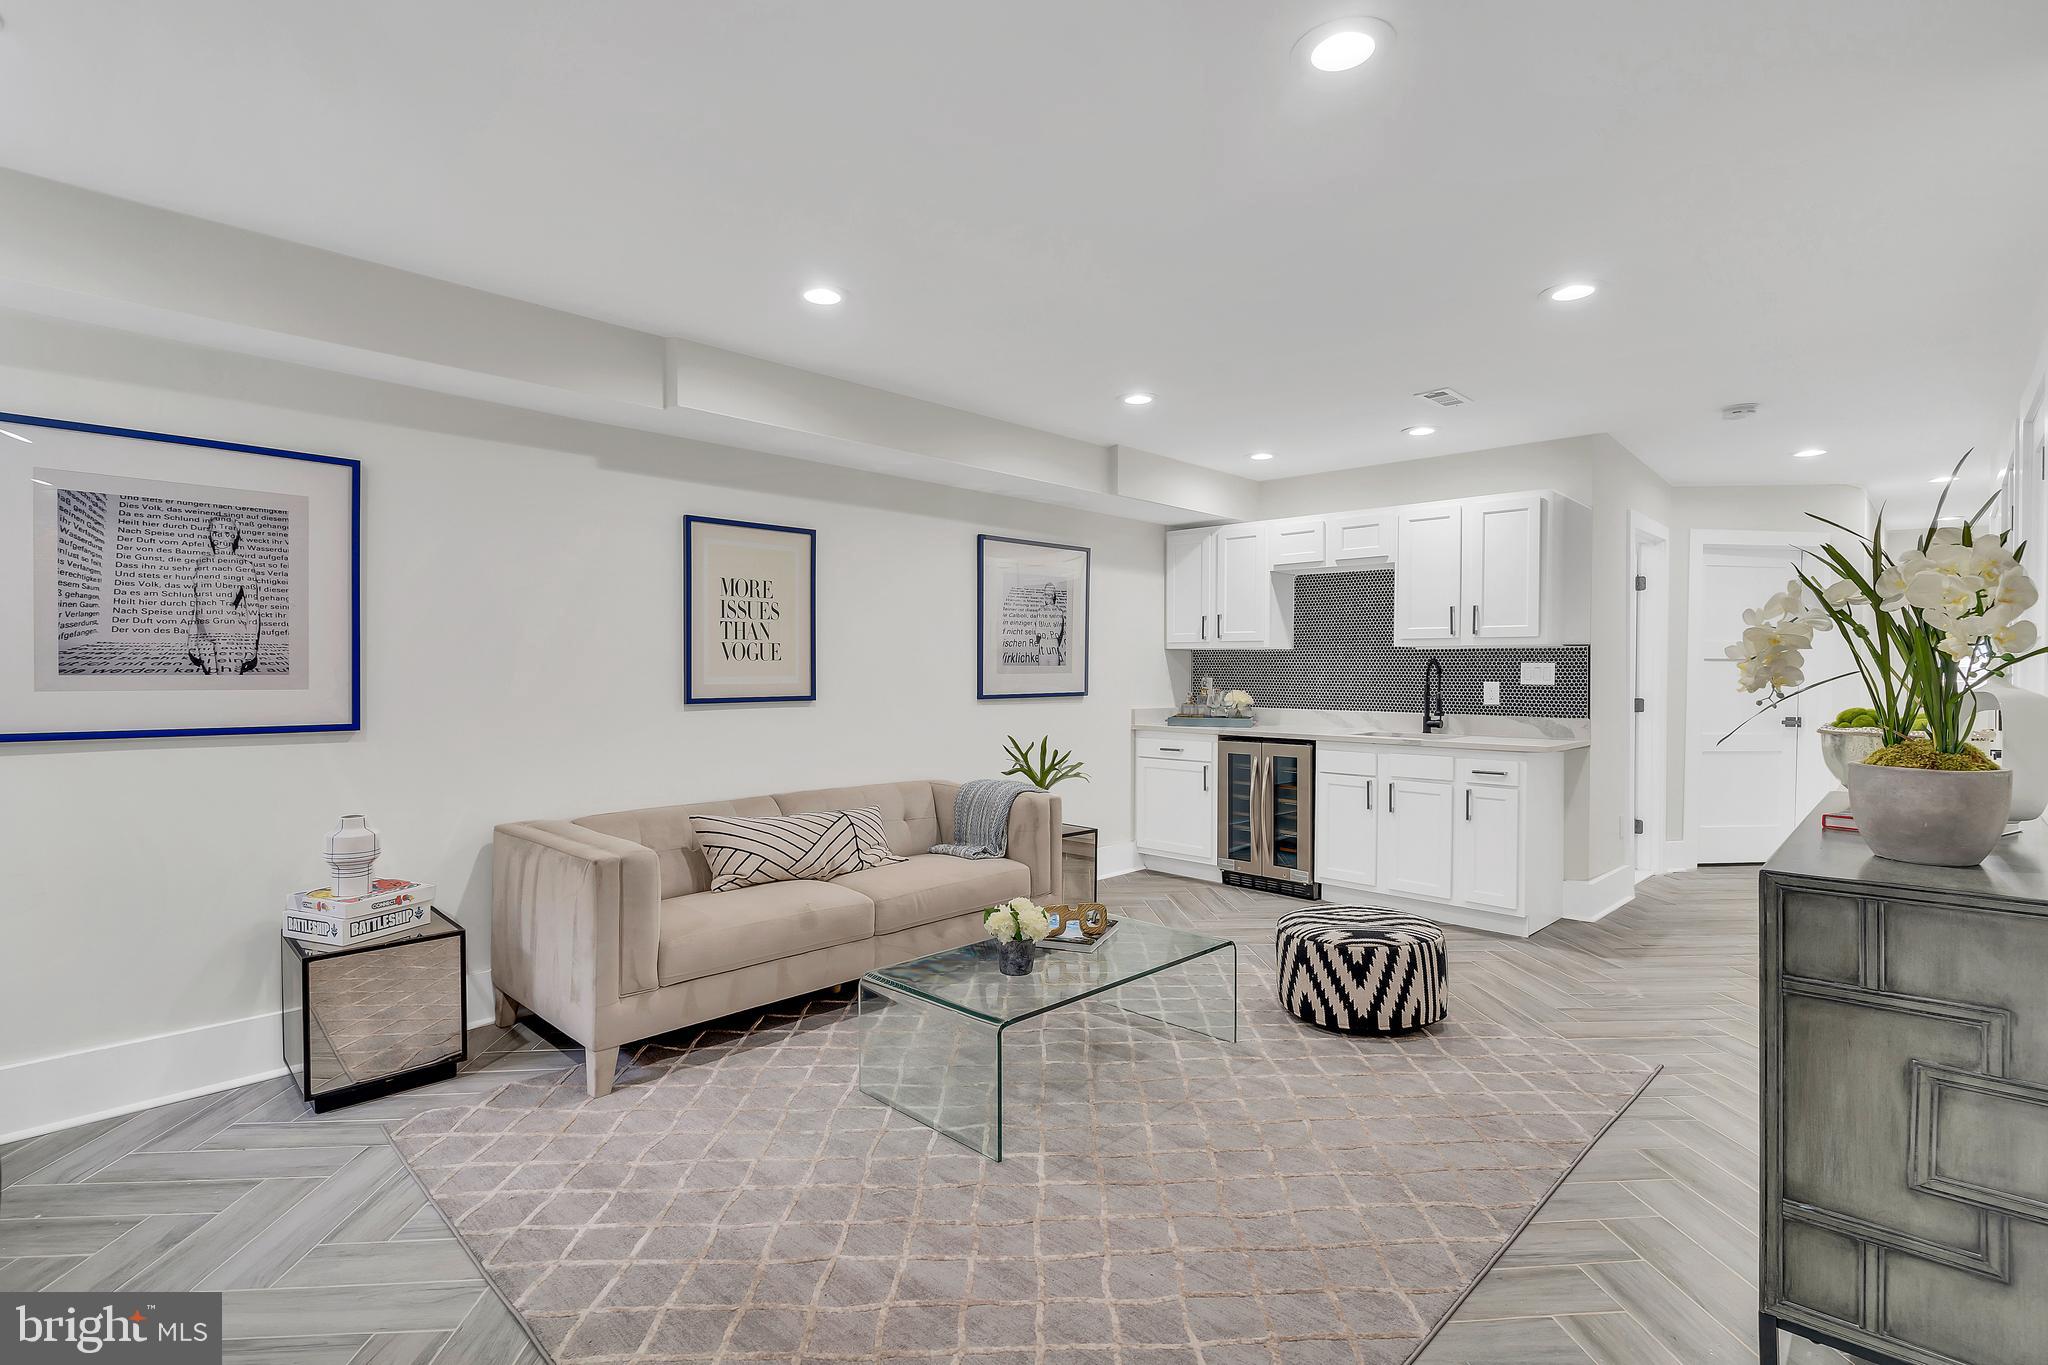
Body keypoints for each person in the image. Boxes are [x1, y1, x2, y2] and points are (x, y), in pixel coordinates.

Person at [187, 515, 260, 674]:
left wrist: (251, 643)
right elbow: (197, 605)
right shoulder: (201, 565)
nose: (220, 538)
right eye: (216, 533)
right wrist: (191, 637)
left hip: (229, 633)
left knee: (228, 686)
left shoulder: (244, 566)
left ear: (235, 534)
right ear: (210, 534)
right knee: (213, 688)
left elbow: (252, 609)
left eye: (226, 532)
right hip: (203, 636)